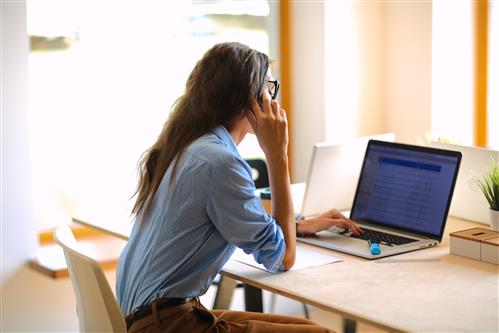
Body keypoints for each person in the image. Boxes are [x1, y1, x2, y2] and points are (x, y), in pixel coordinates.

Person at [116, 42, 362, 333]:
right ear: (250, 99)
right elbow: (283, 259)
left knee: (308, 326)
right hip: (169, 324)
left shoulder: (189, 146)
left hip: (150, 317)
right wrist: (277, 155)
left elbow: (236, 211)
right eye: (269, 88)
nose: (273, 98)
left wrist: (299, 225)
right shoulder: (221, 162)